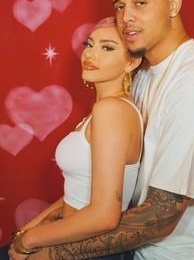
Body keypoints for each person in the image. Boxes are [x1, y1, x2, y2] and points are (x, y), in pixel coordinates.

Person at [16, 0, 194, 260]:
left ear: (173, 5)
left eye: (140, 3)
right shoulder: (143, 74)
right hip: (138, 251)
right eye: (119, 6)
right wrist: (33, 234)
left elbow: (160, 218)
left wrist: (52, 252)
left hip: (186, 254)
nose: (126, 17)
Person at [7, 17, 143, 260]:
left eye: (107, 47)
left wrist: (29, 241)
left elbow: (104, 216)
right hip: (68, 240)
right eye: (89, 44)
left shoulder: (111, 110)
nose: (91, 54)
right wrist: (26, 231)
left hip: (86, 249)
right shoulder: (109, 108)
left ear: (132, 61)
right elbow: (80, 191)